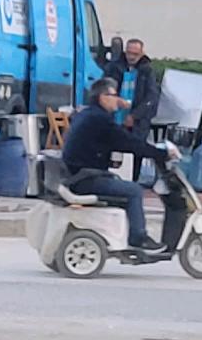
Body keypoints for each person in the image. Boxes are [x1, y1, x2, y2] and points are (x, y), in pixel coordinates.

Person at [60, 77, 170, 250]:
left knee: (120, 184)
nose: (118, 99)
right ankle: (139, 238)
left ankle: (124, 235)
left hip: (78, 175)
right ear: (103, 98)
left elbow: (117, 139)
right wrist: (162, 154)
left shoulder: (87, 114)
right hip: (86, 179)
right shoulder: (100, 120)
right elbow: (128, 142)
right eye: (114, 95)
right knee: (134, 191)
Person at [119, 37, 161, 177]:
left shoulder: (147, 70)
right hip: (117, 115)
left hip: (138, 120)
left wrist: (135, 115)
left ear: (142, 54)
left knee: (137, 150)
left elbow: (152, 97)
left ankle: (134, 178)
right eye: (129, 53)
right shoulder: (115, 67)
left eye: (135, 54)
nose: (131, 57)